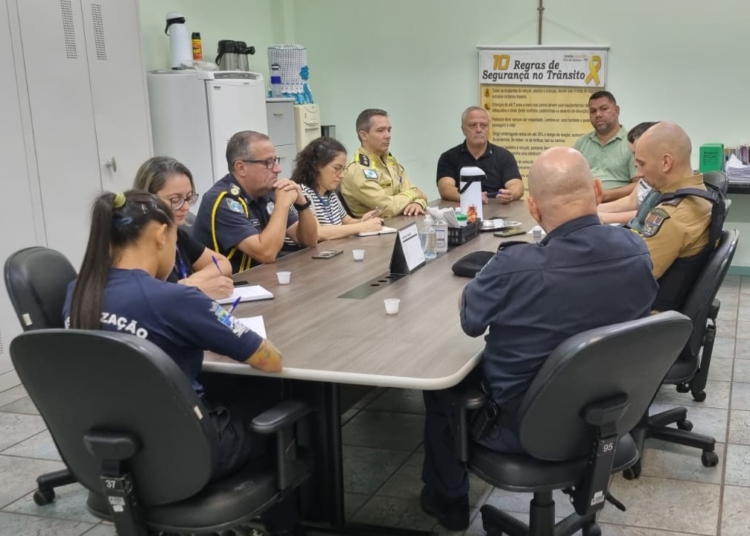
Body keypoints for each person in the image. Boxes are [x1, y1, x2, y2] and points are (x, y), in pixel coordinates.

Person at [420, 148, 658, 531]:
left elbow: (469, 321)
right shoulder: (636, 250)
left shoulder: (514, 266)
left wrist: (485, 282)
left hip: (521, 429)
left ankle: (448, 500)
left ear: (532, 207)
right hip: (607, 417)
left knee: (441, 384)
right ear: (597, 190)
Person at [193, 131, 318, 273]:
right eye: (268, 162)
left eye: (275, 160)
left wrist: (302, 204)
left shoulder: (266, 192)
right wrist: (282, 205)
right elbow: (266, 253)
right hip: (230, 287)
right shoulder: (222, 200)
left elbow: (310, 241)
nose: (278, 169)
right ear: (241, 168)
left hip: (263, 280)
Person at [632, 122, 724, 311]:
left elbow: (633, 279)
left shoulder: (672, 215)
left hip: (648, 319)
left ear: (666, 162)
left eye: (642, 164)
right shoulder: (702, 194)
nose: (639, 173)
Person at [133, 156, 234, 299]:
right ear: (149, 199)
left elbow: (223, 264)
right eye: (175, 200)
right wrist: (191, 289)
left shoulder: (178, 235)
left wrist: (191, 283)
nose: (186, 207)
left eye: (188, 198)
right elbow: (145, 297)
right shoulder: (136, 244)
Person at [291, 136, 385, 240]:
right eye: (337, 168)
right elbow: (317, 232)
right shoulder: (302, 193)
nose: (342, 175)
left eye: (343, 169)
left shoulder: (329, 193)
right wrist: (361, 227)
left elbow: (347, 222)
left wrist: (363, 221)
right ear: (316, 165)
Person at [341, 109, 428, 218]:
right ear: (364, 135)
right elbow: (388, 208)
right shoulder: (358, 169)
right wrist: (414, 195)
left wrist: (418, 203)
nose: (388, 135)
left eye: (389, 130)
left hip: (401, 224)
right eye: (380, 130)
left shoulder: (389, 161)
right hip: (375, 231)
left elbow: (417, 192)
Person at [436, 106, 523, 204]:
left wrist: (511, 194)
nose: (478, 129)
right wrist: (468, 197)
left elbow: (516, 184)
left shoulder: (504, 156)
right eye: (473, 125)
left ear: (488, 128)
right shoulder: (449, 157)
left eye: (483, 125)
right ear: (463, 129)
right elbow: (445, 187)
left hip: (497, 207)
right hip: (463, 207)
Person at [574, 91, 638, 203]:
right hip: (583, 205)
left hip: (619, 207)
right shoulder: (581, 143)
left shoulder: (632, 142)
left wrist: (606, 195)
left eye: (604, 109)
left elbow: (639, 186)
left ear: (617, 110)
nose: (598, 114)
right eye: (593, 111)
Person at [597, 122, 660, 228]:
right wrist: (592, 210)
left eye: (637, 154)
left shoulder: (660, 179)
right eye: (633, 154)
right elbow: (632, 201)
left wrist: (601, 217)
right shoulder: (645, 173)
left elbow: (646, 215)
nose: (635, 161)